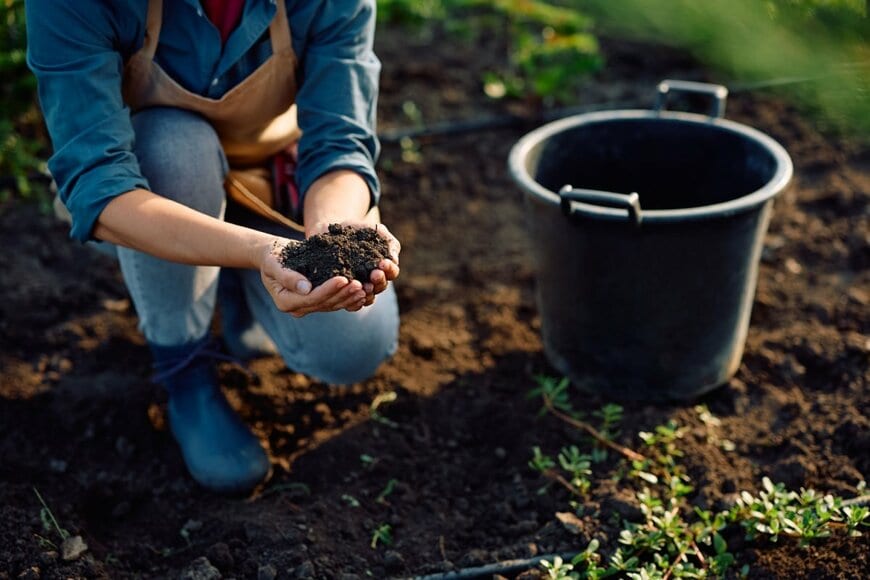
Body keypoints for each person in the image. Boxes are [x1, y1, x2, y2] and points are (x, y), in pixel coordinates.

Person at [25, 0, 401, 494]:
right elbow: (100, 183)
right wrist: (258, 253)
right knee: (176, 146)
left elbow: (339, 144)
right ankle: (185, 371)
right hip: (155, 189)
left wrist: (331, 241)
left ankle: (230, 297)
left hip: (263, 183)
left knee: (354, 344)